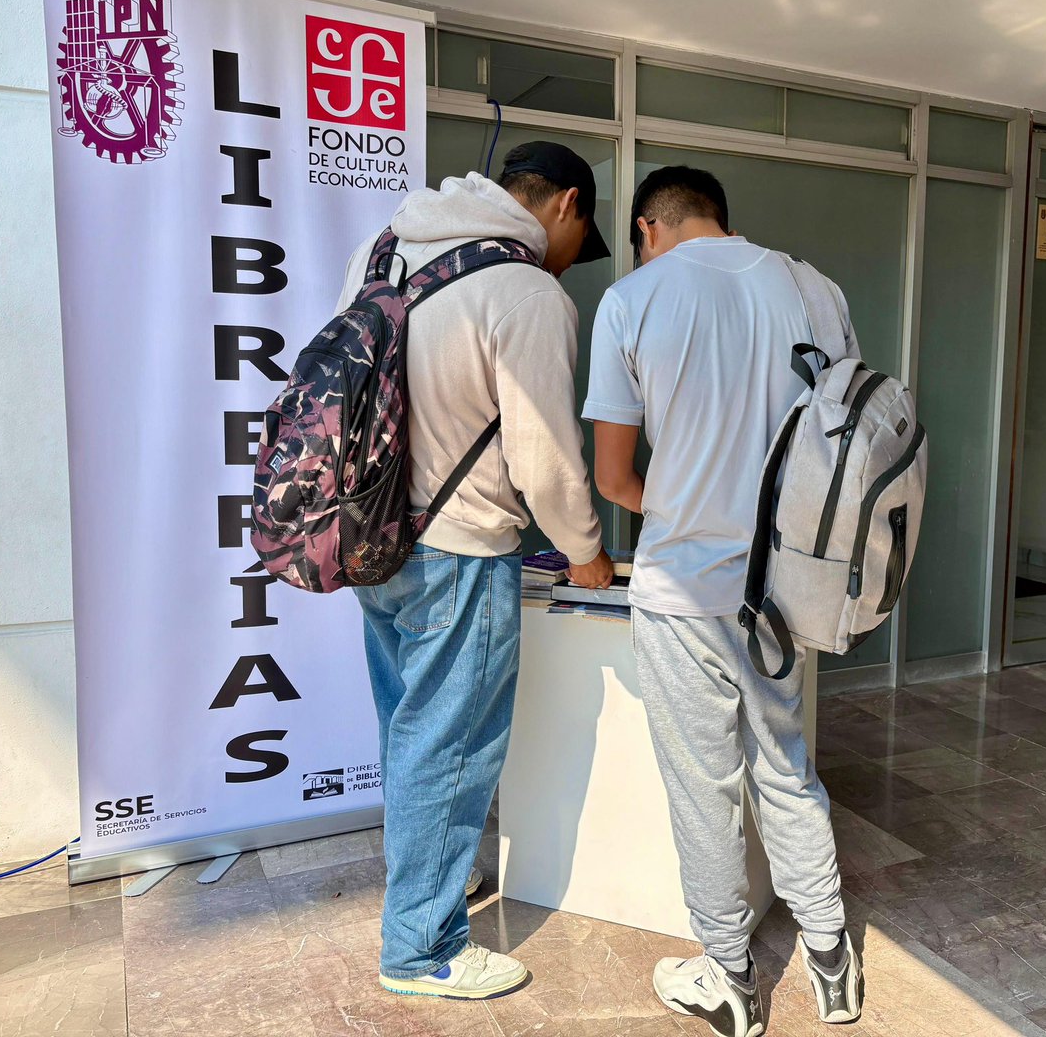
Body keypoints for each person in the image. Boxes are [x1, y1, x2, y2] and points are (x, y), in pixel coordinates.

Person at [584, 166, 862, 1035]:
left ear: (647, 227)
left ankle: (731, 980)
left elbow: (614, 476)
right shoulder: (818, 291)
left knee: (703, 788)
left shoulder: (631, 300)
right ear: (724, 221)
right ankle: (831, 961)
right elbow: (842, 441)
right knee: (786, 764)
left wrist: (685, 502)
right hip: (788, 587)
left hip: (680, 590)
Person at [334, 142, 614, 1000]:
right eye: (582, 236)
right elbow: (546, 454)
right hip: (459, 551)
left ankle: (433, 880)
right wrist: (587, 550)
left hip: (373, 535)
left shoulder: (385, 248)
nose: (574, 258)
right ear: (565, 204)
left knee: (411, 733)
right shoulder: (526, 289)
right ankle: (422, 948)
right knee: (451, 744)